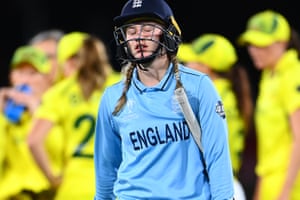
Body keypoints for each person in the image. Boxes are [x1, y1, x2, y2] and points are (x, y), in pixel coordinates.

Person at [93, 0, 234, 199]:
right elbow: (106, 170)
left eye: (148, 29)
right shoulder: (112, 97)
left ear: (169, 32)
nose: (138, 38)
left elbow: (217, 157)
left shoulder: (198, 87)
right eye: (131, 32)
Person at [27, 34, 122, 200]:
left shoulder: (59, 93)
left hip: (74, 187)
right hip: (117, 184)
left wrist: (52, 178)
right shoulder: (121, 85)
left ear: (69, 61)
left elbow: (34, 140)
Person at [177, 33, 253, 200]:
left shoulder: (213, 96)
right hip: (225, 184)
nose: (185, 65)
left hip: (215, 187)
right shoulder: (228, 94)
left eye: (192, 61)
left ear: (206, 68)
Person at [237, 9, 300, 200]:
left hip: (291, 185)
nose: (253, 50)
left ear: (282, 42)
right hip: (270, 183)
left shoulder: (293, 75)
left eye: (261, 44)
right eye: (251, 44)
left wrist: (286, 191)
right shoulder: (269, 76)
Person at [0, 45, 64, 200]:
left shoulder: (59, 110)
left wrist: (37, 110)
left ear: (47, 80)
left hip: (50, 193)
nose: (25, 80)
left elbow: (57, 154)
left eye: (33, 73)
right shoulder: (7, 118)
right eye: (20, 72)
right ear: (11, 77)